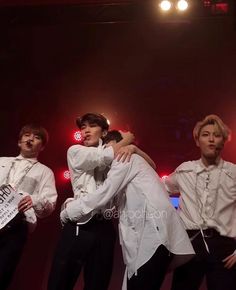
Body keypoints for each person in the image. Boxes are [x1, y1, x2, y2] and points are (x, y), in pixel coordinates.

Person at [60, 130, 195, 290]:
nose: (108, 153)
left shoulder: (124, 158)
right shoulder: (133, 160)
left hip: (154, 238)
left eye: (109, 147)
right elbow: (110, 204)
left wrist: (69, 211)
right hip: (157, 239)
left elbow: (104, 193)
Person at [48, 113, 142, 290]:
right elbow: (102, 157)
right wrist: (127, 140)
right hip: (79, 223)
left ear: (104, 132)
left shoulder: (116, 154)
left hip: (105, 226)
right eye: (83, 127)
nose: (85, 131)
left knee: (98, 283)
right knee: (60, 281)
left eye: (91, 126)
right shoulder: (76, 151)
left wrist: (132, 148)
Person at [164, 114, 236, 290]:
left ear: (224, 140)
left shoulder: (234, 172)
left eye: (217, 135)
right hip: (190, 243)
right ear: (197, 141)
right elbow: (159, 189)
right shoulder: (184, 170)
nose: (211, 139)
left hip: (224, 246)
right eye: (205, 134)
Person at [0, 124, 57, 290]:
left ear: (42, 146)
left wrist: (33, 199)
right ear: (19, 141)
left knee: (2, 272)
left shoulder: (45, 172)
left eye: (37, 137)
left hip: (16, 226)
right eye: (26, 135)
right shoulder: (2, 161)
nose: (30, 139)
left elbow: (50, 203)